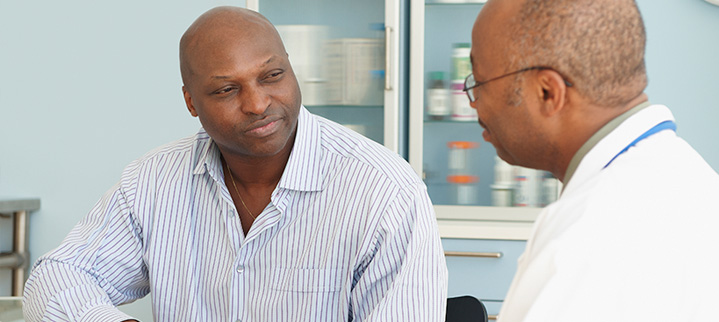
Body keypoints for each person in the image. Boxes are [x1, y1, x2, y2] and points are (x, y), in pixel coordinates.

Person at [23, 6, 447, 321]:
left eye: (272, 76)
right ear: (191, 101)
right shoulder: (152, 181)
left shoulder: (384, 190)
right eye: (227, 89)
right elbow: (55, 278)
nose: (258, 104)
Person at [466, 0, 719, 321]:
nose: (473, 104)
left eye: (478, 82)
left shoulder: (593, 233)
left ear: (548, 92)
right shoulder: (682, 179)